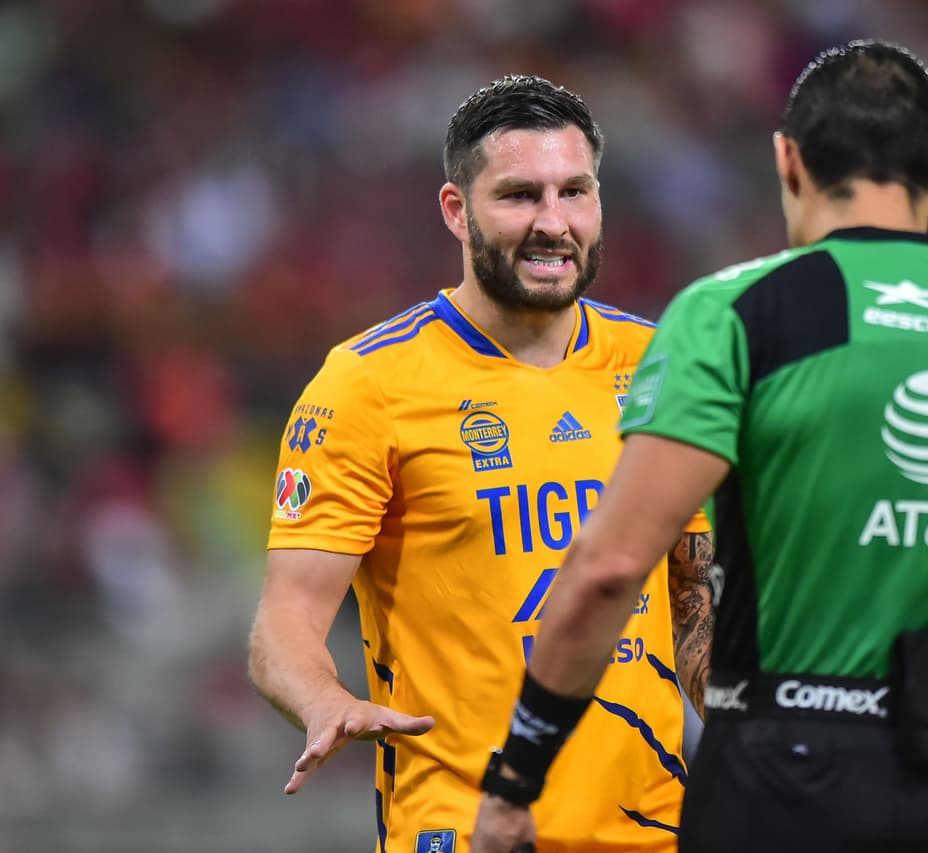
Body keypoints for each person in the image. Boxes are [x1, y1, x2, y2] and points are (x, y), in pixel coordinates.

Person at [471, 40, 928, 853]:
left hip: (785, 772)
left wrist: (517, 778)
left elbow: (611, 566)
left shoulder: (735, 316)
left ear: (788, 160)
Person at [247, 74, 713, 853]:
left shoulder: (660, 362)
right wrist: (324, 697)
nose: (554, 223)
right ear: (456, 210)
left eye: (575, 192)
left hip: (649, 830)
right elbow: (282, 621)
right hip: (462, 830)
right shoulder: (368, 384)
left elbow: (693, 590)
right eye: (520, 196)